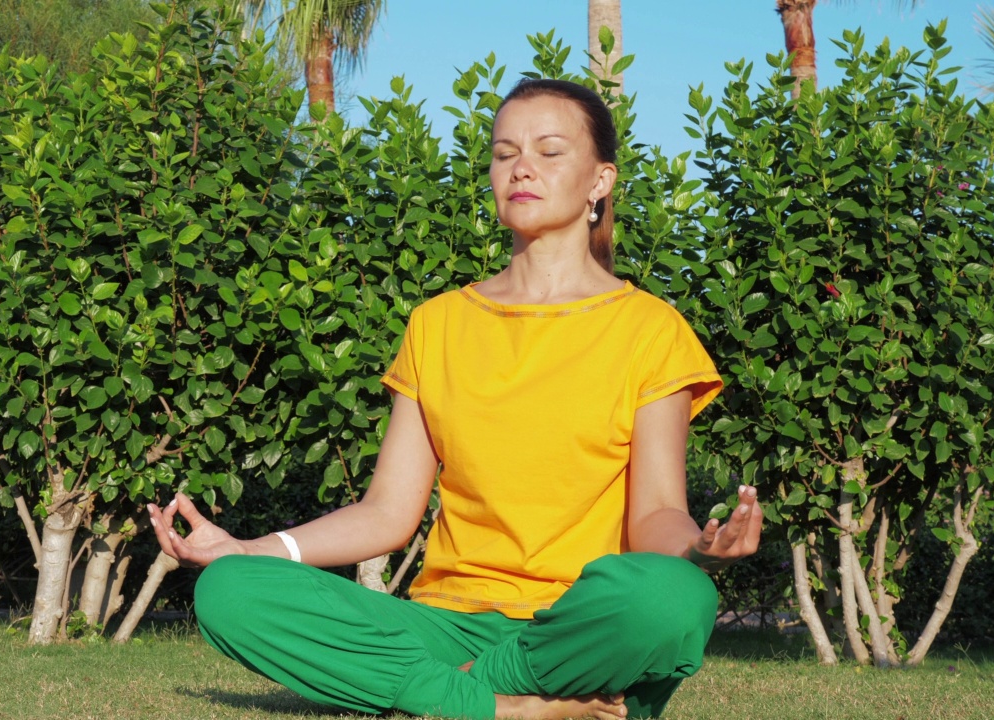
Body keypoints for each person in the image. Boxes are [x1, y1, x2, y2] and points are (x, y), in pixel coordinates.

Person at [147, 77, 763, 720]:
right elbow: (387, 513)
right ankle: (511, 708)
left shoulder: (650, 329)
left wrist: (696, 550)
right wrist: (248, 548)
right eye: (504, 153)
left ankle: (455, 693)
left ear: (599, 181)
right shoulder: (437, 323)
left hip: (573, 628)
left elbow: (656, 514)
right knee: (230, 591)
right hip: (442, 624)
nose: (521, 167)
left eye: (549, 151)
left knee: (673, 598)